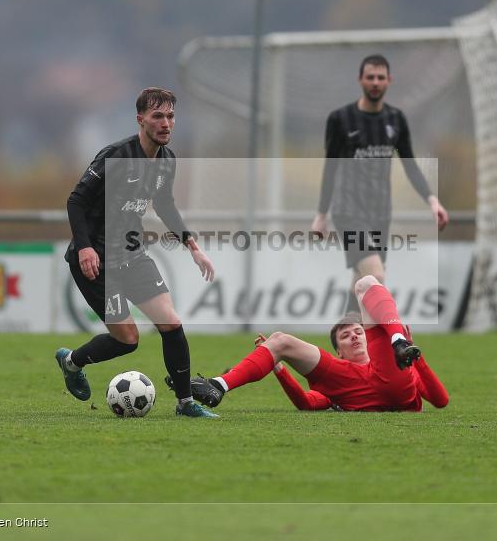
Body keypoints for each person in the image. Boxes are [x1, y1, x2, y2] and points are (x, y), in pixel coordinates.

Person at [55, 87, 219, 418]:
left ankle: (186, 403)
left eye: (171, 116)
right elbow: (76, 201)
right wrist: (85, 247)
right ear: (140, 119)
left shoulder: (167, 161)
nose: (166, 123)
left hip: (132, 253)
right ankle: (71, 362)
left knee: (170, 322)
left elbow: (164, 204)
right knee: (127, 339)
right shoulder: (115, 156)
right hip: (97, 260)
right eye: (158, 116)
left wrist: (193, 247)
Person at [169, 276, 449, 413]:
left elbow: (440, 400)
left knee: (366, 282)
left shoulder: (398, 363)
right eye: (345, 335)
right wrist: (279, 370)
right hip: (352, 379)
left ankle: (397, 337)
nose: (354, 335)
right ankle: (219, 385)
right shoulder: (338, 379)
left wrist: (412, 355)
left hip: (391, 373)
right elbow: (305, 403)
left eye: (357, 331)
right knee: (279, 340)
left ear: (369, 337)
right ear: (338, 351)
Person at [311, 54, 449, 313]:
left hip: (380, 214)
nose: (375, 82)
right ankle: (388, 343)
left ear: (389, 81)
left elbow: (409, 164)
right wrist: (321, 214)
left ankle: (345, 342)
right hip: (348, 212)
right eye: (370, 77)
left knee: (360, 282)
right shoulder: (340, 119)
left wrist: (433, 200)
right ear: (360, 80)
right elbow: (330, 167)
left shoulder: (396, 119)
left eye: (380, 78)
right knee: (377, 278)